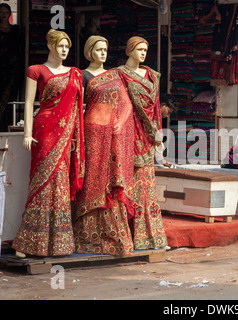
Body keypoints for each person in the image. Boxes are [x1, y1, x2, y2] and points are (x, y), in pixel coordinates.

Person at [12, 29, 85, 257]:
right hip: (44, 130)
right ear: (51, 46)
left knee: (61, 183)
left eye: (67, 47)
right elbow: (29, 102)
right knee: (41, 184)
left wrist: (74, 136)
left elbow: (77, 108)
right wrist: (27, 133)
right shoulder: (36, 70)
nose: (64, 50)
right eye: (61, 46)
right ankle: (29, 242)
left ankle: (59, 242)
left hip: (65, 135)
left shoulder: (75, 73)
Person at [74, 36, 136, 256]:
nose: (103, 53)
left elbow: (126, 105)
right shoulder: (81, 75)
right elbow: (77, 107)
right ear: (90, 51)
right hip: (91, 132)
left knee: (110, 181)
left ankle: (114, 238)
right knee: (92, 180)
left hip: (112, 135)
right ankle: (86, 238)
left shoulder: (115, 75)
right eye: (99, 50)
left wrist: (119, 125)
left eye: (105, 49)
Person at [116, 36, 168, 250]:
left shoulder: (152, 75)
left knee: (146, 187)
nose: (143, 53)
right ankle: (126, 234)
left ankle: (148, 235)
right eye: (139, 49)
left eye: (146, 49)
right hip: (128, 135)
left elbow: (155, 108)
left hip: (147, 136)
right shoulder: (119, 74)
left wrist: (157, 136)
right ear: (129, 50)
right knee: (126, 184)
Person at [0, 3, 22, 132]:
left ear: (10, 14)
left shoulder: (16, 30)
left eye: (6, 12)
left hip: (13, 70)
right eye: (1, 12)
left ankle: (10, 124)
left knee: (11, 99)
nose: (3, 15)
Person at [155, 93, 178, 168]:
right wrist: (161, 160)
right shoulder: (153, 116)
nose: (168, 115)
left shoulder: (157, 116)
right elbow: (157, 140)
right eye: (169, 112)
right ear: (163, 105)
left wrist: (161, 160)